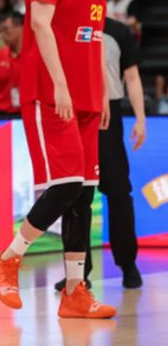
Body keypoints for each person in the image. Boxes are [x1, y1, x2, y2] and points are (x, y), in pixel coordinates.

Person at [0, 0, 116, 319]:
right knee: (65, 186)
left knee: (85, 194)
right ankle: (8, 257)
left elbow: (94, 35)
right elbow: (41, 25)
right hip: (50, 92)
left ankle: (75, 293)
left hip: (86, 94)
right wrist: (60, 84)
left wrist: (101, 90)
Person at [54, 17, 146, 291]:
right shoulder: (64, 26)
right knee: (75, 192)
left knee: (119, 191)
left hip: (110, 115)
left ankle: (128, 264)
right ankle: (78, 272)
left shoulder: (118, 31)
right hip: (75, 112)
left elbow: (132, 76)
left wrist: (140, 118)